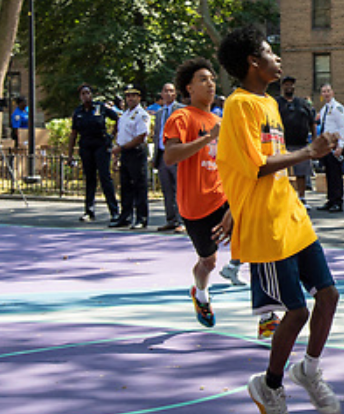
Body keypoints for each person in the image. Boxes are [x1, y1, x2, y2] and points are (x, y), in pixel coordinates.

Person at [217, 25, 341, 414]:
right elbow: (254, 165)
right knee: (297, 311)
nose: (278, 59)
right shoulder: (238, 106)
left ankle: (309, 369)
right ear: (253, 62)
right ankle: (269, 385)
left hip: (291, 214)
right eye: (270, 52)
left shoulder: (268, 102)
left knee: (329, 295)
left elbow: (262, 164)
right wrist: (310, 151)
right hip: (265, 226)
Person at [164, 57, 280, 335]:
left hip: (226, 198)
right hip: (195, 205)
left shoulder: (222, 120)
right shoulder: (182, 117)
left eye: (213, 79)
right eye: (203, 79)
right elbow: (170, 156)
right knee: (209, 262)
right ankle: (201, 294)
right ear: (189, 88)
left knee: (258, 246)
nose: (210, 84)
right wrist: (206, 138)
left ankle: (268, 316)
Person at [68, 84, 120, 224]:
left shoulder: (100, 107)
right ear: (80, 97)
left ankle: (114, 211)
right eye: (83, 94)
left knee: (105, 177)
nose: (86, 96)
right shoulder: (78, 112)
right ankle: (89, 211)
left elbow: (117, 118)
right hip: (86, 146)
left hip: (101, 145)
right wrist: (70, 154)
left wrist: (112, 136)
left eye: (88, 93)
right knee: (90, 178)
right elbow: (73, 134)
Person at [110, 85, 150, 229]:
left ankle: (141, 218)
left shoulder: (141, 114)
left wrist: (121, 148)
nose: (131, 98)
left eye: (134, 95)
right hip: (125, 152)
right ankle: (125, 216)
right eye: (128, 96)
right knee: (125, 185)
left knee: (139, 185)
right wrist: (117, 153)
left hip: (136, 151)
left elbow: (141, 136)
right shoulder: (125, 115)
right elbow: (121, 135)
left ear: (139, 98)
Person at [276, 76, 316, 207]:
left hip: (301, 143)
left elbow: (312, 122)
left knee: (302, 173)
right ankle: (284, 198)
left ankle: (302, 197)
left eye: (291, 85)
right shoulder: (277, 103)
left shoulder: (302, 103)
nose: (289, 87)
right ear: (282, 87)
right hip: (283, 144)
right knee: (283, 174)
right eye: (286, 84)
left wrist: (314, 140)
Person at [153, 83, 184, 232]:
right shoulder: (159, 114)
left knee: (179, 189)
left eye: (171, 90)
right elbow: (156, 135)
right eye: (165, 91)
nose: (168, 93)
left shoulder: (182, 110)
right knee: (167, 190)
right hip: (162, 154)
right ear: (162, 94)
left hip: (177, 155)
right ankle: (170, 219)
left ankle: (181, 221)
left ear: (175, 93)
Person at [315, 83, 344, 213]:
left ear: (333, 92)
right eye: (323, 92)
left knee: (336, 175)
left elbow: (342, 128)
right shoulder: (324, 109)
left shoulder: (338, 108)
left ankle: (338, 201)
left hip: (335, 146)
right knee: (328, 174)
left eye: (328, 91)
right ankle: (330, 199)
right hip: (326, 146)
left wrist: (341, 145)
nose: (326, 93)